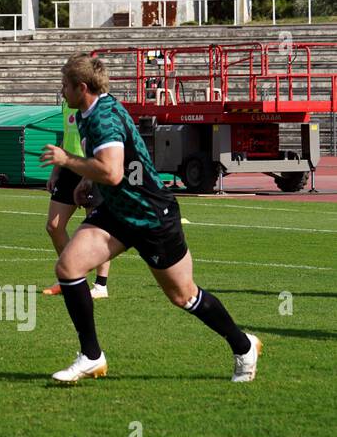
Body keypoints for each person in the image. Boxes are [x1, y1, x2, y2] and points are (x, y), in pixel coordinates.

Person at [39, 53, 261, 383]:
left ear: (81, 87)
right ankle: (91, 356)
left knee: (183, 296)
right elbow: (117, 159)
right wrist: (88, 179)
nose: (61, 91)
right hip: (118, 212)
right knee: (69, 267)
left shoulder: (103, 117)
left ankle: (243, 347)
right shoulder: (89, 110)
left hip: (152, 215)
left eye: (65, 86)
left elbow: (113, 173)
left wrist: (69, 160)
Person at [43, 96, 110, 300]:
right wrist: (56, 171)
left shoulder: (92, 103)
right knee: (54, 226)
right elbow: (66, 136)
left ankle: (101, 285)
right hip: (69, 166)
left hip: (90, 166)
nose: (63, 88)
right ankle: (71, 276)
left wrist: (90, 173)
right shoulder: (67, 103)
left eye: (66, 83)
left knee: (98, 228)